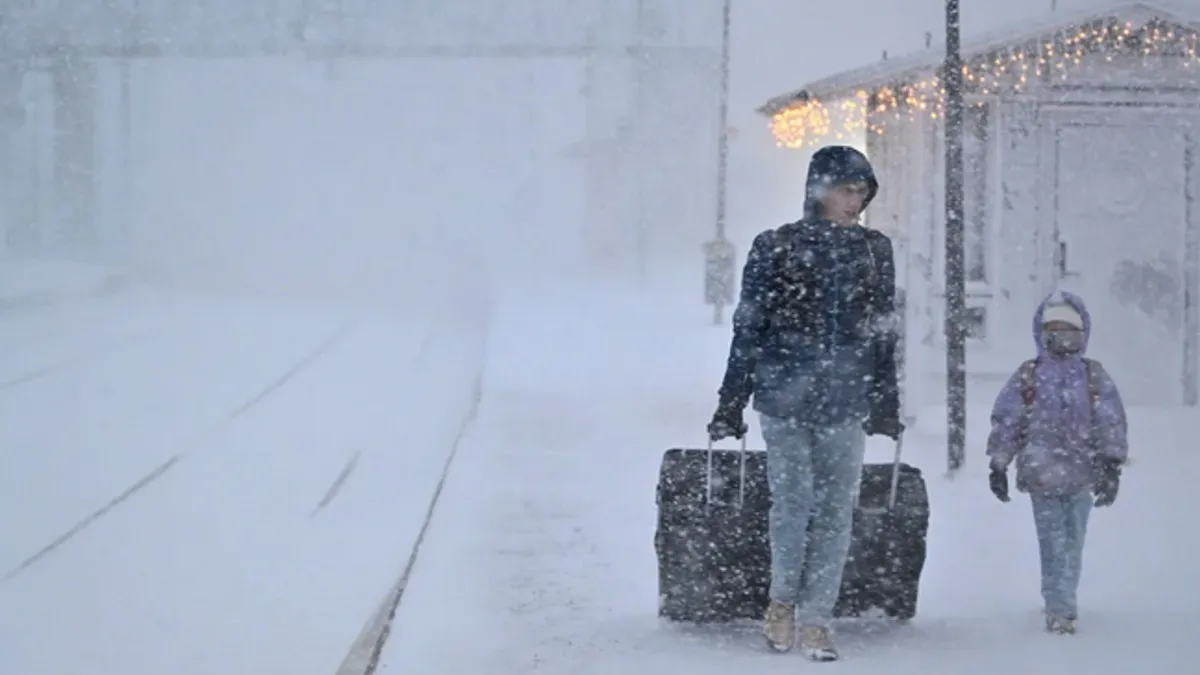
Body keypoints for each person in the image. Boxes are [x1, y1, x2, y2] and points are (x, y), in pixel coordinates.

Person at [707, 145, 902, 660]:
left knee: (838, 510)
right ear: (819, 190)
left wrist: (885, 397)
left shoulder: (874, 251)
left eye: (862, 193)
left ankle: (818, 617)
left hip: (846, 399)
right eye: (846, 190)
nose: (854, 203)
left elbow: (884, 330)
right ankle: (782, 604)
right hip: (783, 397)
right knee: (791, 505)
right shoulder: (776, 247)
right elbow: (748, 327)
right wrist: (732, 398)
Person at [985, 291, 1128, 635]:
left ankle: (1063, 595)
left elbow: (1110, 421)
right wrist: (999, 463)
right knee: (1052, 541)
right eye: (1055, 329)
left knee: (1073, 540)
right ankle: (1060, 607)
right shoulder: (1030, 375)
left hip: (1082, 474)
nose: (1062, 336)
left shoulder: (1093, 376)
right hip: (1041, 474)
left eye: (1070, 329)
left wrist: (1111, 465)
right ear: (1042, 332)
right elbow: (1009, 420)